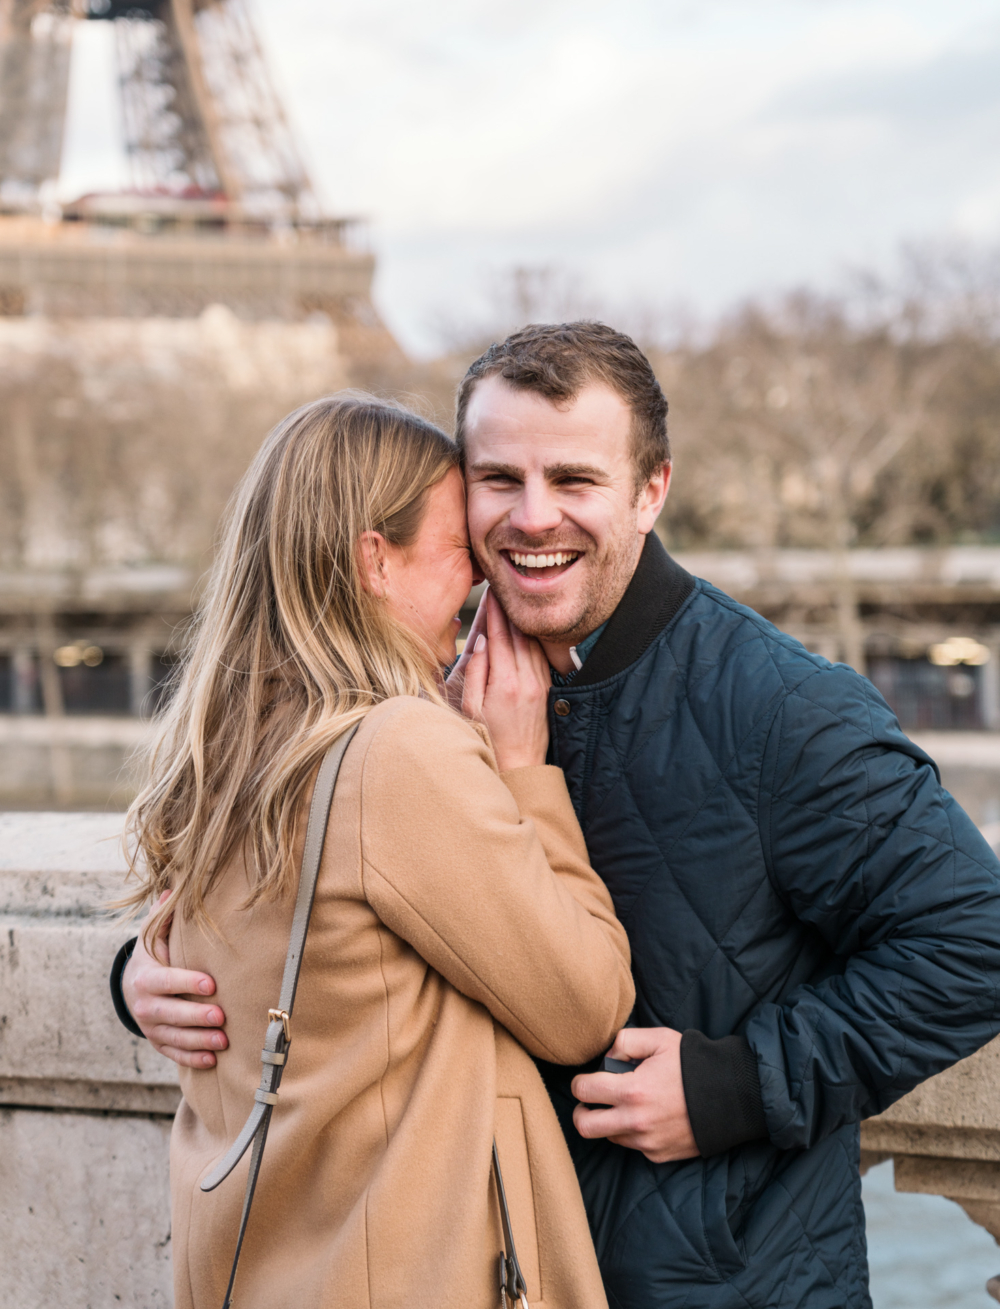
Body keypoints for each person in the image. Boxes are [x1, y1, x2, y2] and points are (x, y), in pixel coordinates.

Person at [119, 324, 1000, 1309]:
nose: (532, 518)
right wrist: (148, 974)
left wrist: (737, 1087)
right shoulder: (407, 708)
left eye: (574, 481)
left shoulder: (780, 708)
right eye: (497, 480)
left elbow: (975, 938)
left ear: (650, 490)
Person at [116, 392, 634, 1309]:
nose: (480, 592)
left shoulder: (225, 750)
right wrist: (522, 770)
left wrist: (126, 976)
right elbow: (583, 1005)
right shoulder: (397, 750)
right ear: (374, 560)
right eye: (457, 556)